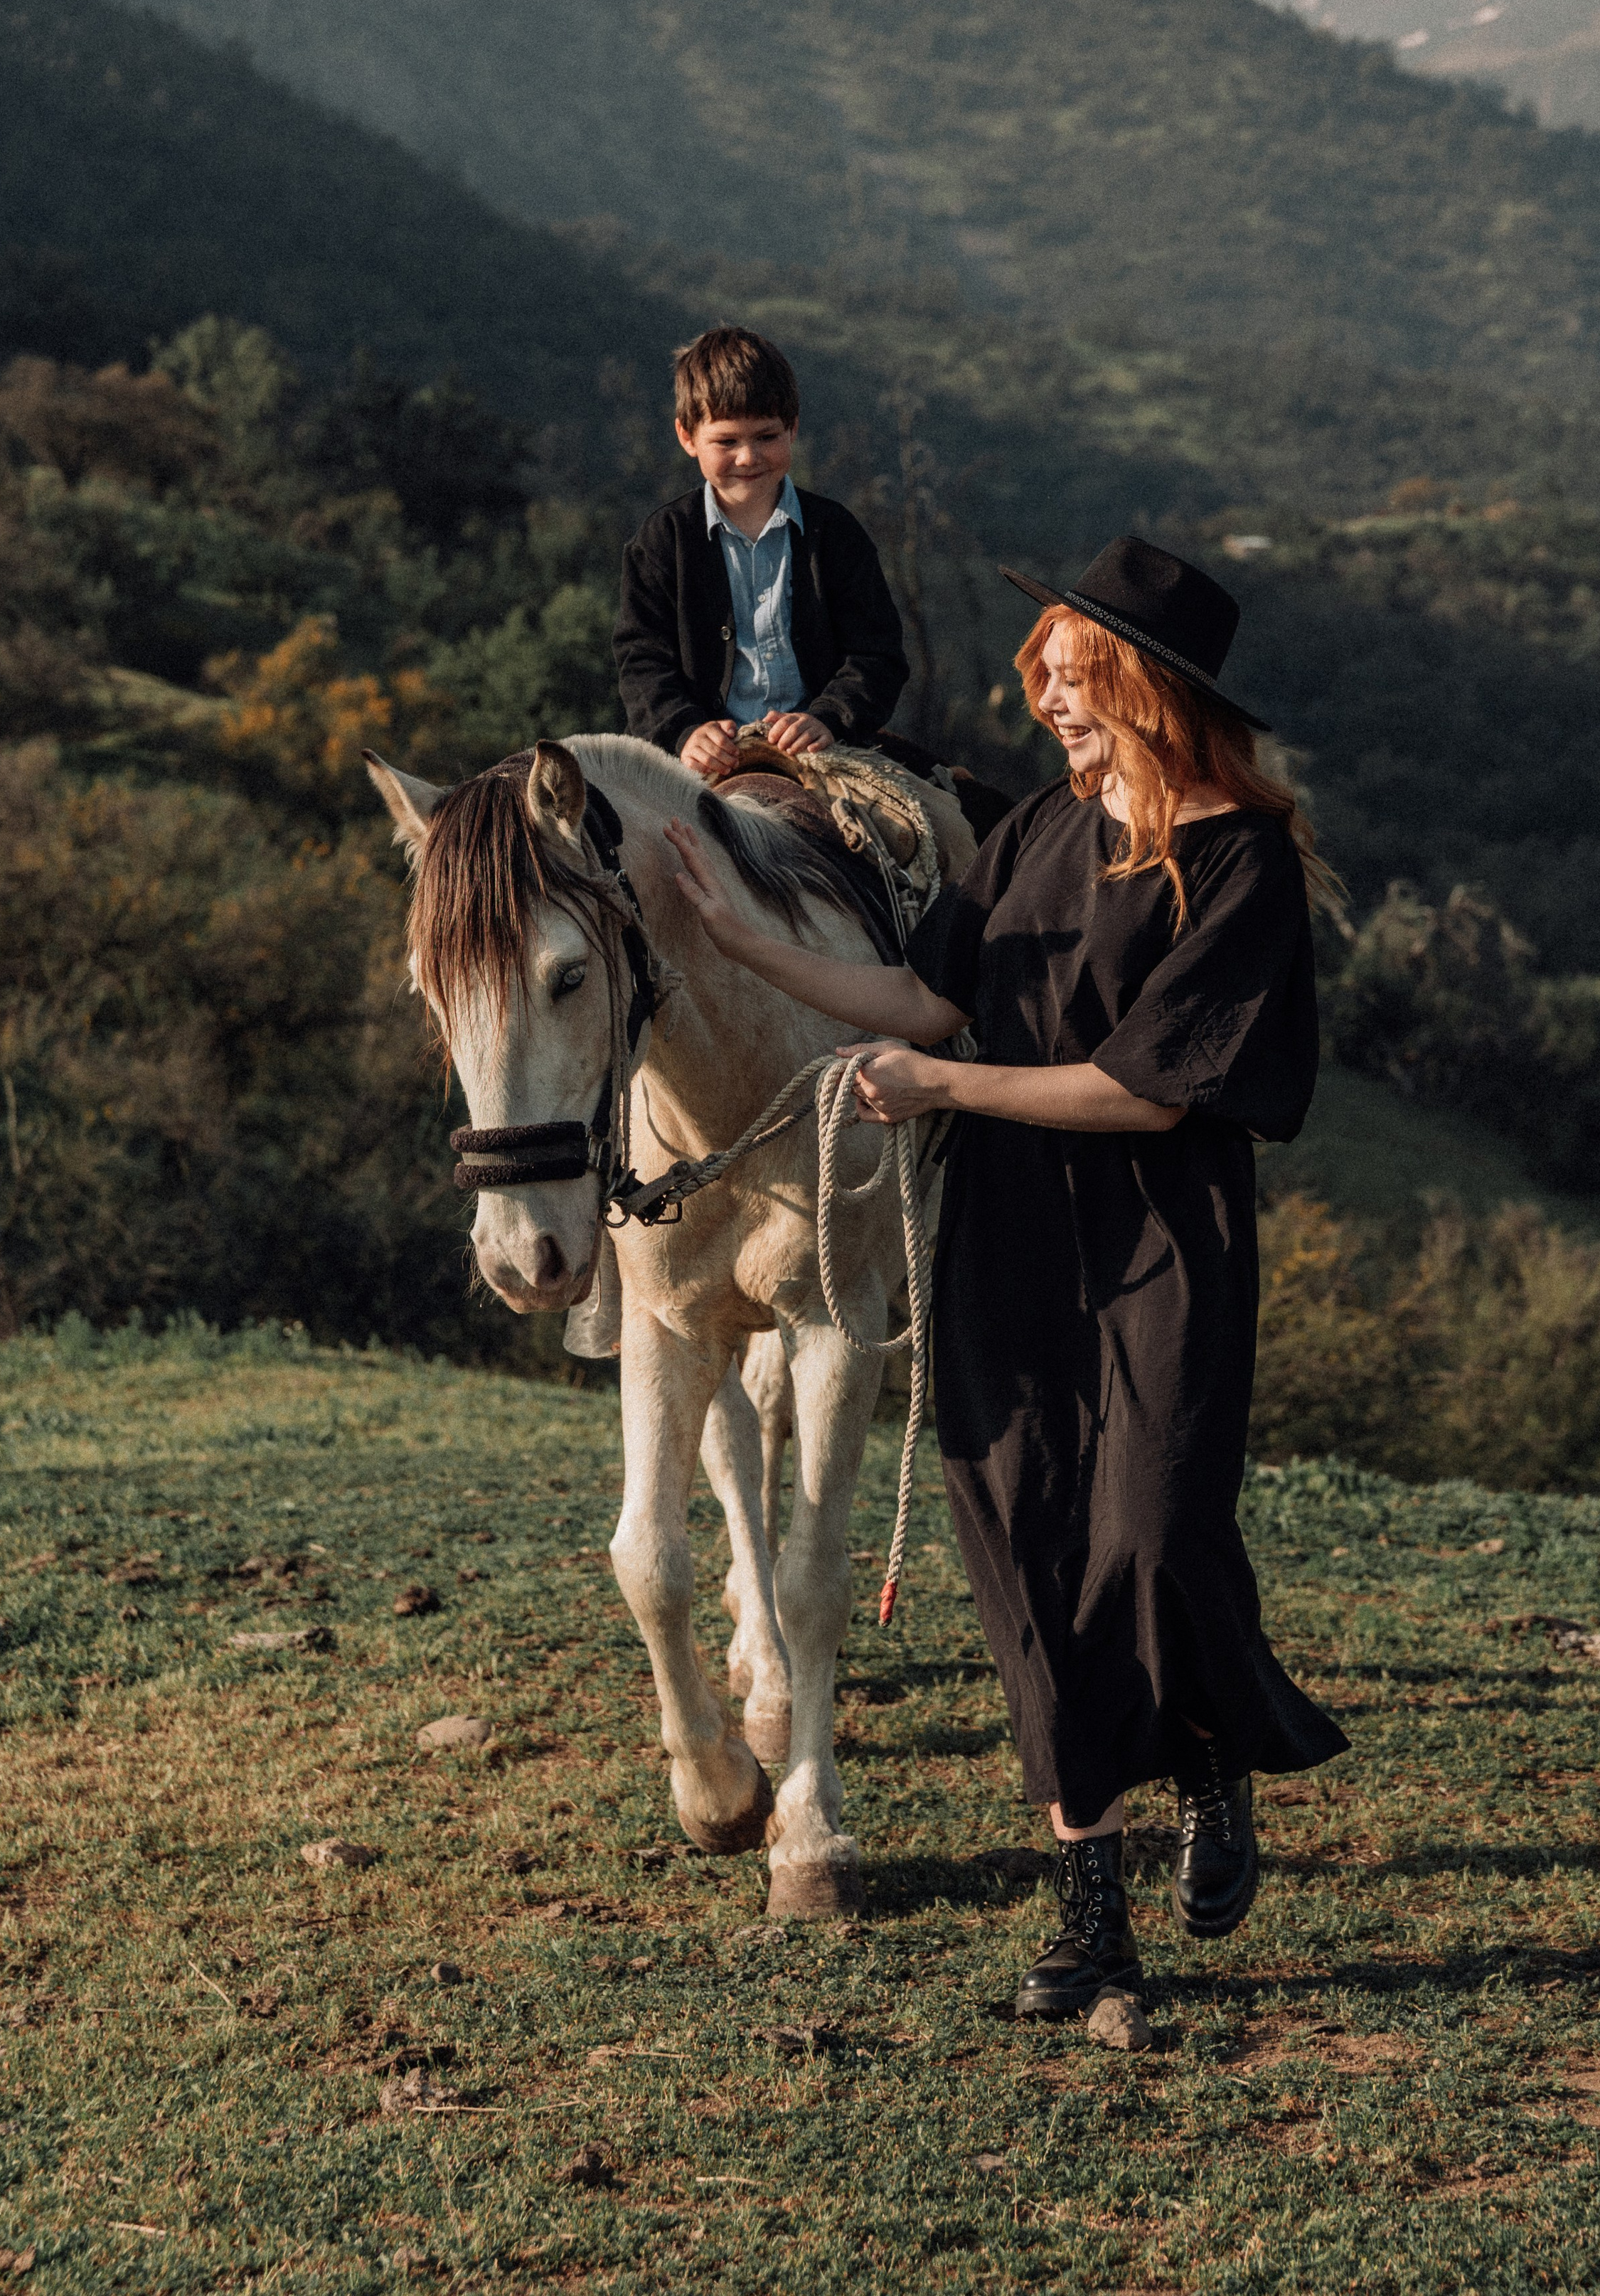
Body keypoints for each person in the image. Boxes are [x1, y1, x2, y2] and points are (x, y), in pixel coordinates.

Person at [663, 534, 1348, 2030]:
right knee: (1026, 1548)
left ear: (1155, 692)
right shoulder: (1036, 826)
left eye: (1078, 674)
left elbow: (1145, 1094)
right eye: (1045, 670)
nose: (1049, 697)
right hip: (1007, 1230)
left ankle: (1206, 1746)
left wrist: (946, 1088)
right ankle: (1091, 1912)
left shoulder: (1238, 858)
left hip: (1159, 1233)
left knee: (1155, 1531)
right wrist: (740, 942)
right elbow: (924, 998)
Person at [614, 324, 910, 781]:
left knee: (941, 816)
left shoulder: (836, 533)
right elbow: (642, 661)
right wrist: (685, 731)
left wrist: (828, 718)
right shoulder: (661, 542)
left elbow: (878, 653)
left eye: (767, 437)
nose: (749, 457)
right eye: (727, 441)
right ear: (688, 437)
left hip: (825, 754)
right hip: (702, 764)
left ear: (793, 429)